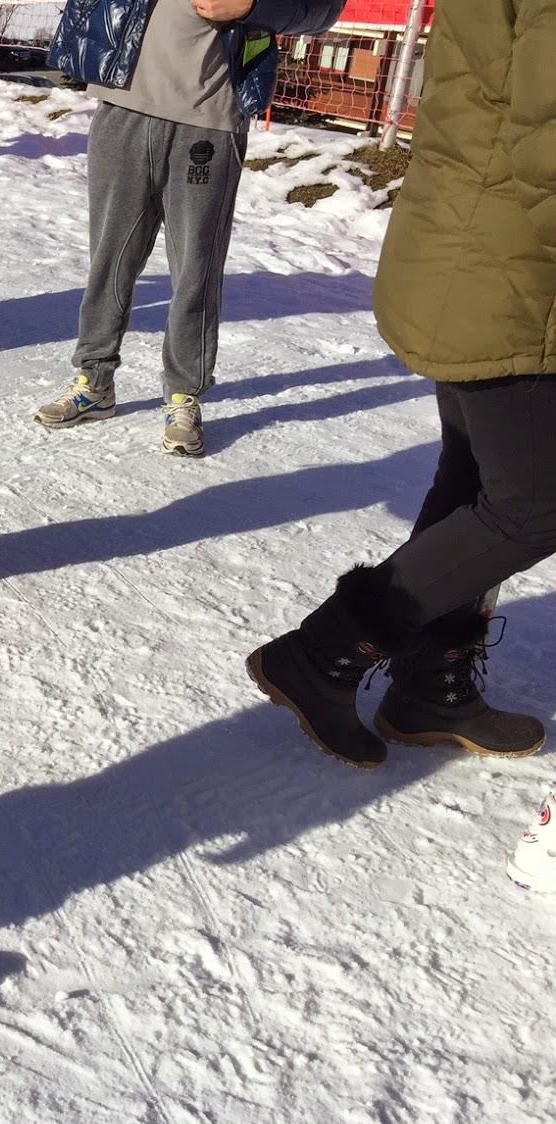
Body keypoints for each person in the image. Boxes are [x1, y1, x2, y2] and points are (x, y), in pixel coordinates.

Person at [247, 0, 554, 771]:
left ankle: (431, 684)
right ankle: (321, 656)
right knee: (532, 506)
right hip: (508, 269)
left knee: (479, 480)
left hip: (479, 250)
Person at [38, 0, 343, 456]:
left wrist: (254, 5)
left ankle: (184, 395)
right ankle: (93, 380)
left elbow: (321, 9)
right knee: (110, 258)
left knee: (195, 269)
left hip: (210, 123)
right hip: (122, 109)